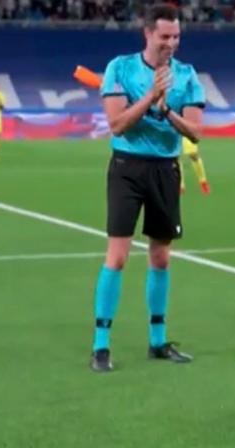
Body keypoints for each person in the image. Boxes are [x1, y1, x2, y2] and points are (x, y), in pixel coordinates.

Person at [89, 3, 205, 372]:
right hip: (126, 168)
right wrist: (149, 97)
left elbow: (195, 132)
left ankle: (157, 341)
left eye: (176, 36)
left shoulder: (186, 76)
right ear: (148, 34)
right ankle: (100, 345)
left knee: (160, 257)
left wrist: (166, 108)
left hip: (165, 170)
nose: (171, 43)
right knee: (118, 256)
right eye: (165, 36)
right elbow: (118, 125)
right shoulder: (120, 68)